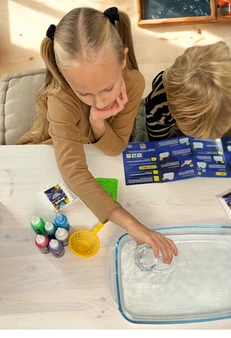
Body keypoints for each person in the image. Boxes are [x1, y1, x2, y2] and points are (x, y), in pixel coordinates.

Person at [17, 7, 177, 262]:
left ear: (123, 60)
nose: (100, 102)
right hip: (48, 150)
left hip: (95, 156)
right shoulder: (60, 98)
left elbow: (116, 148)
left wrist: (98, 123)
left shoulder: (134, 82)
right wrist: (132, 225)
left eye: (108, 88)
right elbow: (73, 171)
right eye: (84, 93)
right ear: (64, 77)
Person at [145, 41, 231, 230]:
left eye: (213, 134)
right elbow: (159, 144)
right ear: (172, 108)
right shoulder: (158, 104)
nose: (207, 141)